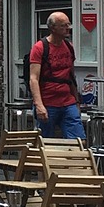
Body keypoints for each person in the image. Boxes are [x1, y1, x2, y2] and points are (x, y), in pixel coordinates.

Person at [28, 12, 85, 140]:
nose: (68, 27)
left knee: (78, 141)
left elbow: (70, 77)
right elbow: (34, 78)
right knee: (45, 142)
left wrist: (76, 101)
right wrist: (39, 105)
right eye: (63, 25)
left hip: (67, 101)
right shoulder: (40, 48)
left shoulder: (69, 47)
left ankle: (74, 158)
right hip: (48, 102)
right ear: (53, 28)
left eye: (68, 24)